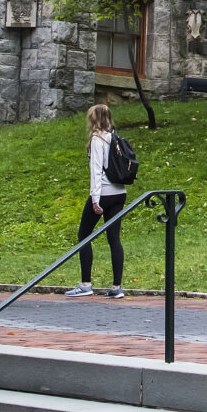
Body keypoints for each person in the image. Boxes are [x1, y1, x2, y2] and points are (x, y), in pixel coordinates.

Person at [65, 102, 132, 298]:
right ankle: (116, 287)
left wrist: (95, 200)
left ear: (94, 120)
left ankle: (86, 283)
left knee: (84, 234)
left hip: (102, 193)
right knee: (114, 238)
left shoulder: (97, 140)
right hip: (119, 192)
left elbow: (96, 171)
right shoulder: (116, 138)